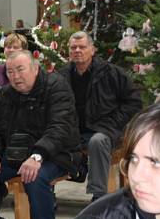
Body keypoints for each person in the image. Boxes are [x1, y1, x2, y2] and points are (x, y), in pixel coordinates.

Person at [0, 50, 80, 219]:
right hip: (15, 154)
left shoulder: (56, 87)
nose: (15, 76)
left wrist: (37, 155)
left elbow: (59, 127)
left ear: (35, 68)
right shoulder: (6, 95)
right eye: (10, 71)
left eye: (20, 69)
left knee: (35, 178)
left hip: (57, 153)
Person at [61, 31, 143, 201]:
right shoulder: (61, 76)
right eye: (73, 47)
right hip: (74, 131)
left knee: (97, 141)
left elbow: (134, 102)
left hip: (105, 129)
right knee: (52, 138)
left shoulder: (112, 73)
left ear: (92, 50)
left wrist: (114, 122)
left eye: (82, 47)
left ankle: (98, 196)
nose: (77, 50)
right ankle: (49, 194)